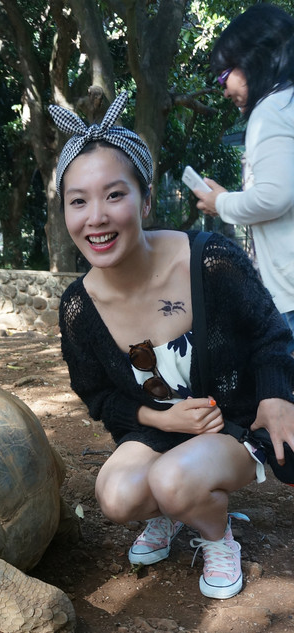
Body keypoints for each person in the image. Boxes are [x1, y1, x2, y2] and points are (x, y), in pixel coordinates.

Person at [50, 92, 294, 600]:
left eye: (114, 195)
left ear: (144, 198)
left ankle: (214, 532)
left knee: (174, 480)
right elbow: (101, 398)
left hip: (231, 424)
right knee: (114, 496)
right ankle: (174, 508)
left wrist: (275, 397)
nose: (96, 217)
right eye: (78, 201)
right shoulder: (79, 309)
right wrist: (161, 420)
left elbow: (272, 332)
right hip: (165, 432)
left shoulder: (210, 259)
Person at [194, 5, 294, 339]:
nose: (224, 90)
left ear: (255, 60)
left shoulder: (270, 111)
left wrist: (220, 203)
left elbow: (274, 197)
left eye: (225, 76)